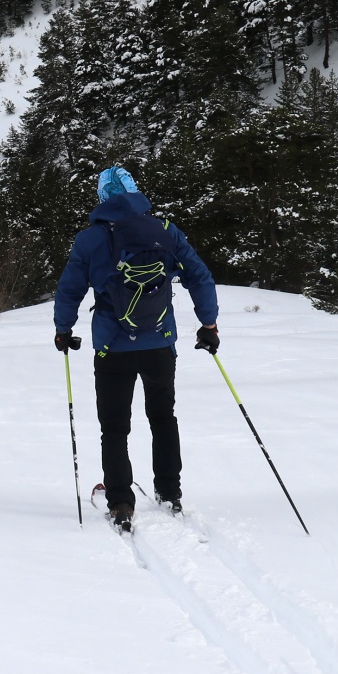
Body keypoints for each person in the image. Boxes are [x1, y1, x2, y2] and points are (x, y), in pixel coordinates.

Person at [53, 166, 219, 533]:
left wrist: (63, 330)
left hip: (112, 346)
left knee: (114, 427)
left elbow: (69, 290)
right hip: (160, 342)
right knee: (163, 417)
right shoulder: (166, 231)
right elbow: (199, 277)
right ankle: (170, 492)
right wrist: (209, 325)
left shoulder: (91, 239)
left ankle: (120, 502)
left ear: (101, 198)